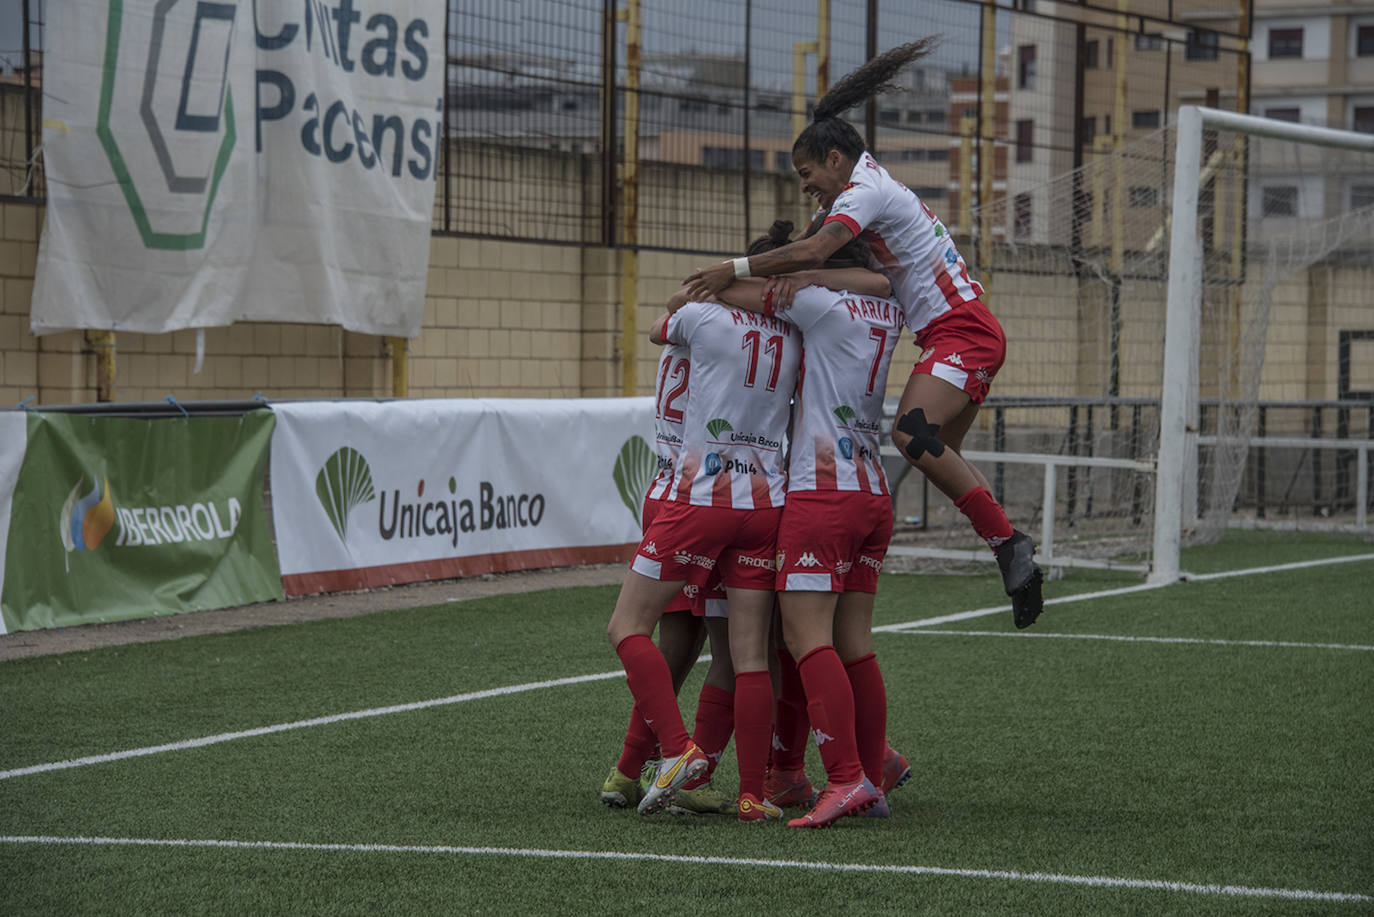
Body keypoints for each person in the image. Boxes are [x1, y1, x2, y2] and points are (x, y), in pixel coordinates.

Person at [683, 40, 1044, 629]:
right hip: (954, 334)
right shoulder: (864, 188)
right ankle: (1011, 549)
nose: (805, 186)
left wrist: (735, 271)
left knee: (911, 434)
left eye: (806, 174)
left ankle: (1008, 545)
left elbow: (815, 249)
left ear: (832, 158)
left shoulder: (866, 190)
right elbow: (815, 251)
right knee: (939, 453)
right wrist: (786, 268)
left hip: (964, 331)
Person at [702, 228, 911, 827]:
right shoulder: (884, 304)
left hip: (823, 491)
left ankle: (845, 779)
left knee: (803, 640)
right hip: (872, 487)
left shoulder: (819, 302)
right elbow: (879, 281)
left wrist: (755, 273)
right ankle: (870, 772)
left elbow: (735, 291)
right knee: (854, 647)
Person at [607, 246, 801, 821]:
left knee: (640, 631)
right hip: (765, 502)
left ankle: (670, 754)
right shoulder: (795, 334)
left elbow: (660, 321)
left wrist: (711, 288)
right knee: (745, 655)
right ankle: (749, 793)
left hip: (688, 493)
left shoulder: (700, 317)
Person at [599, 341, 735, 817]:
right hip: (711, 493)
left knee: (675, 649)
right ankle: (694, 771)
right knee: (734, 649)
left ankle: (627, 769)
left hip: (665, 489)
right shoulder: (735, 331)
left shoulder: (685, 324)